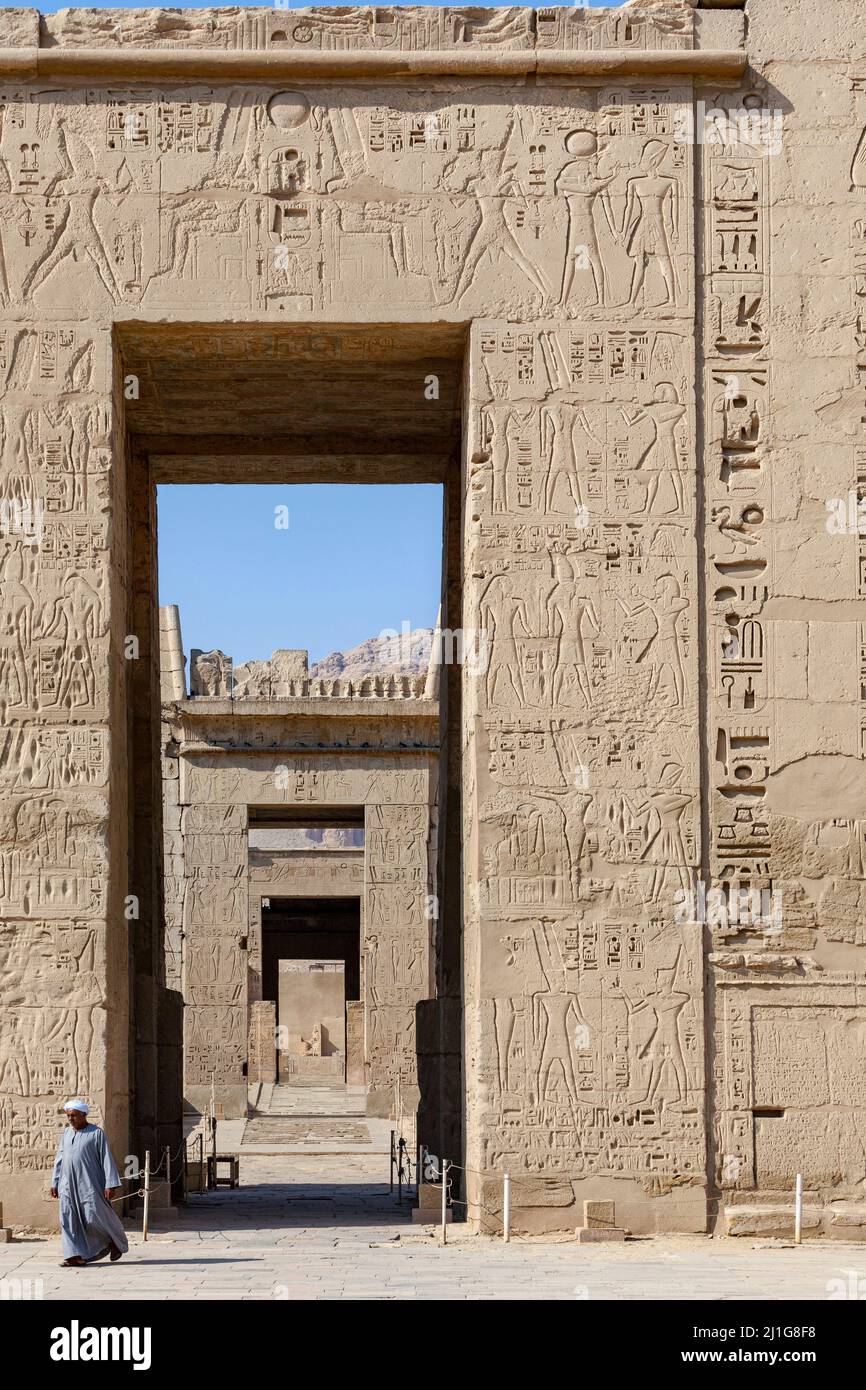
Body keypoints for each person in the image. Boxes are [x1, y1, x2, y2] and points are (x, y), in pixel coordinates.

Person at [50, 1099, 129, 1268]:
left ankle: (114, 1241)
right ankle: (73, 1256)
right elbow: (60, 1159)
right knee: (67, 1219)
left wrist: (110, 1184)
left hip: (89, 1183)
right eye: (68, 1116)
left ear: (83, 1115)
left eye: (74, 1115)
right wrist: (54, 1182)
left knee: (94, 1215)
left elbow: (106, 1159)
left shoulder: (96, 1133)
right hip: (66, 1185)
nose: (71, 1119)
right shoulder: (66, 1133)